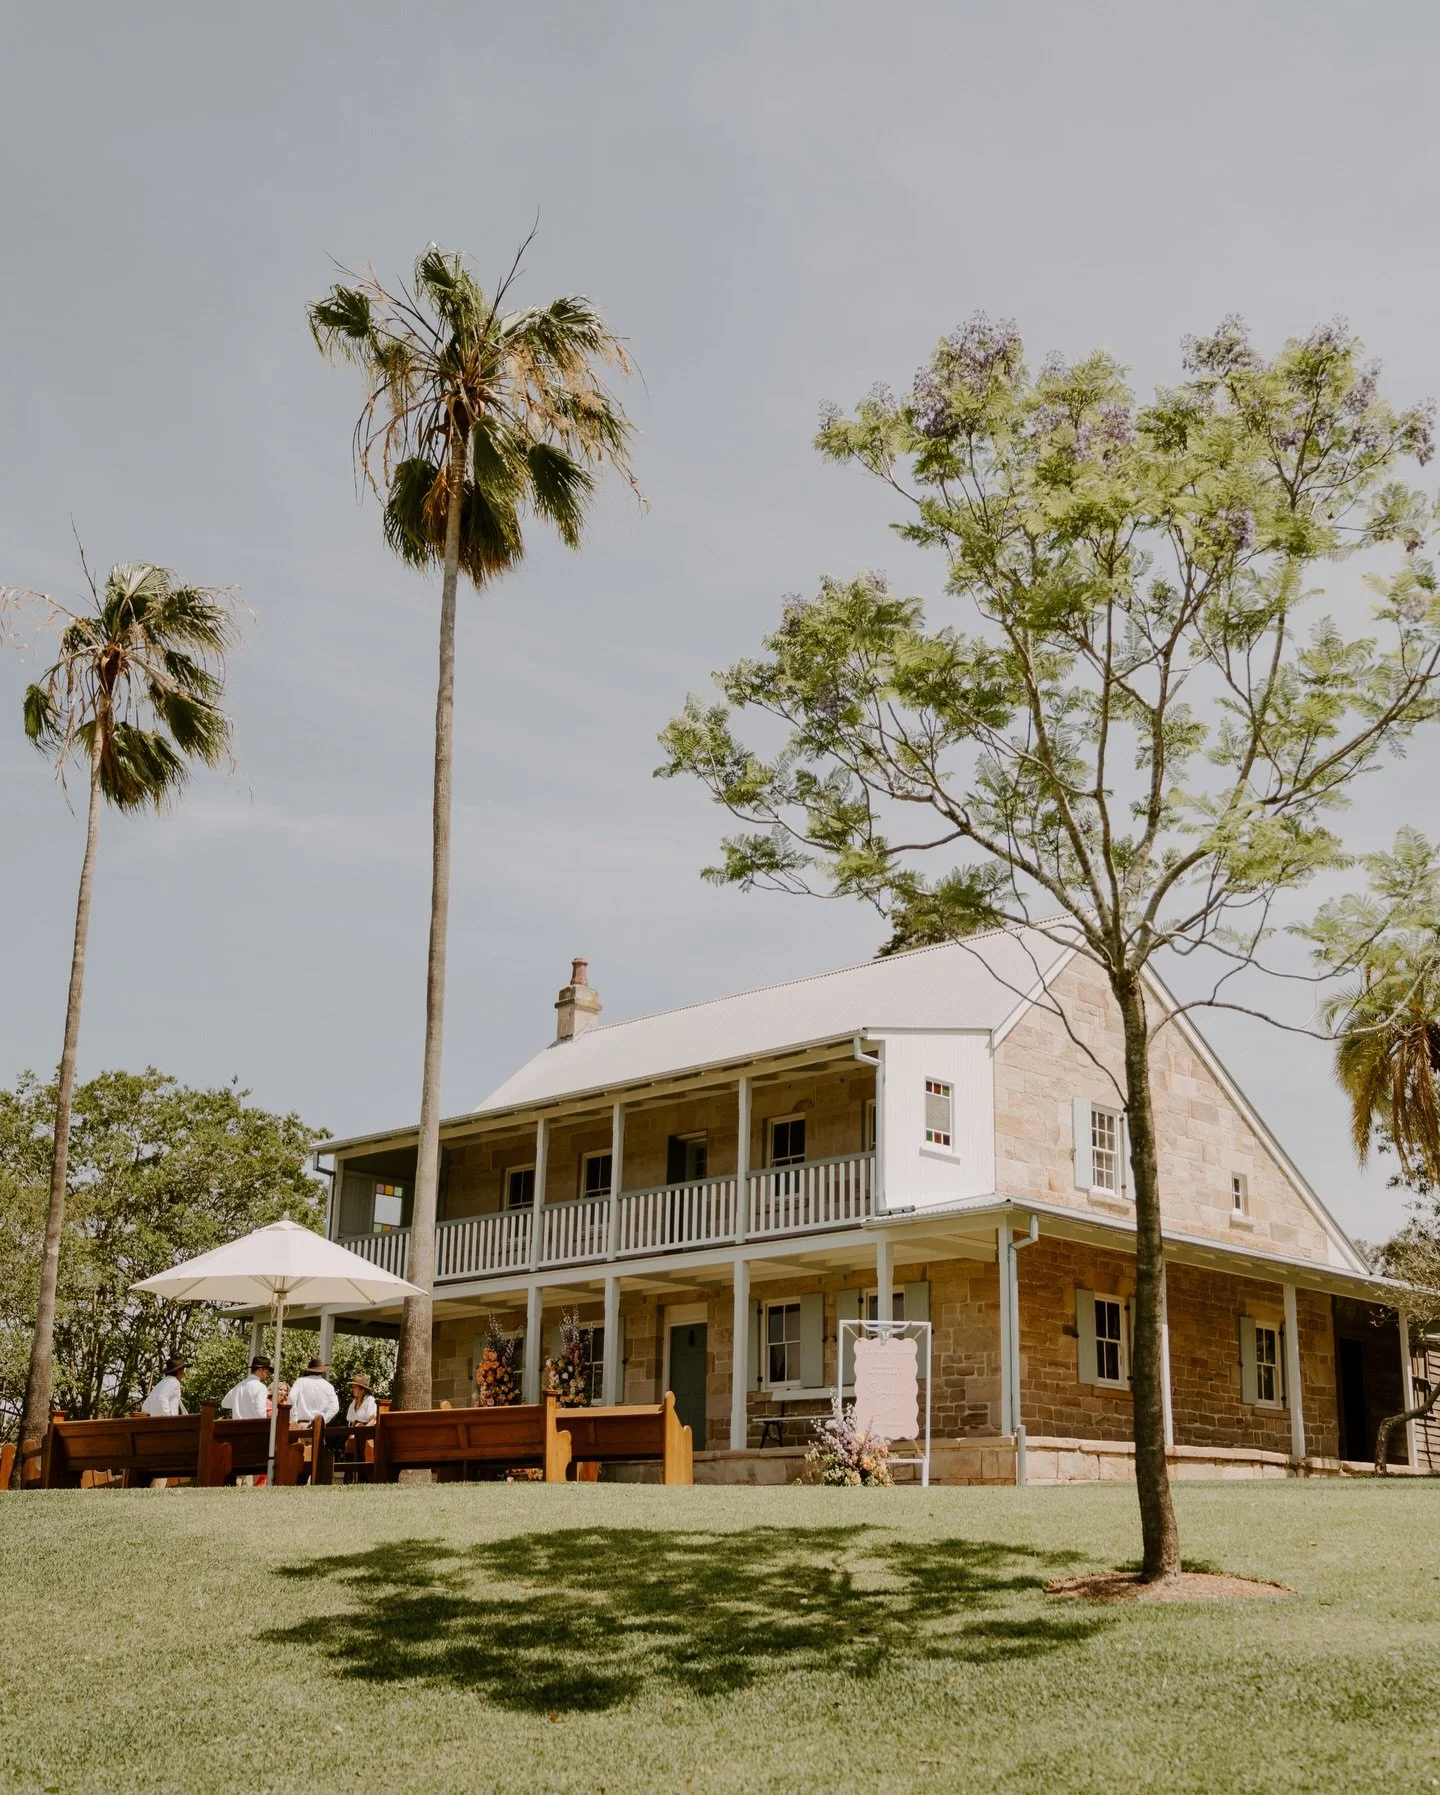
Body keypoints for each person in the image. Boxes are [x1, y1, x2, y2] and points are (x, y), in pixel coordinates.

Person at [289, 1358, 339, 1427]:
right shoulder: (329, 1386)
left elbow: (291, 1397)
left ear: (308, 1371)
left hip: (301, 1425)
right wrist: (322, 1420)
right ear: (321, 1371)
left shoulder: (300, 1382)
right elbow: (335, 1407)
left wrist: (294, 1419)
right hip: (319, 1427)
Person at [221, 1355, 272, 1420]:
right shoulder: (261, 1387)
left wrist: (239, 1406)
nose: (267, 1376)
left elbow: (225, 1403)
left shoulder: (238, 1386)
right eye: (267, 1372)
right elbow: (261, 1414)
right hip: (252, 1427)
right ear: (260, 1369)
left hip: (235, 1427)